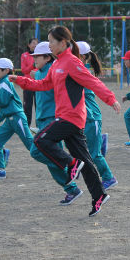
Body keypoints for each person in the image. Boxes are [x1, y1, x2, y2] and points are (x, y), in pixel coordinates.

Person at [10, 25, 121, 217]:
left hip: (71, 117)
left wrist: (111, 99)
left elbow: (92, 82)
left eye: (52, 41)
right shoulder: (57, 65)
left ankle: (71, 164)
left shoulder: (72, 62)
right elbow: (44, 84)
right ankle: (99, 196)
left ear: (63, 42)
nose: (49, 45)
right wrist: (21, 81)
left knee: (40, 141)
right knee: (85, 161)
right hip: (67, 118)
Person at [28, 41, 83, 205]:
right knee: (49, 156)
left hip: (54, 119)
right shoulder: (39, 73)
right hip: (43, 118)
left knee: (37, 152)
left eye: (37, 56)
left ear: (47, 57)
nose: (34, 59)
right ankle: (71, 183)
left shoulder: (56, 71)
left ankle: (72, 169)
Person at [77, 41, 118, 190]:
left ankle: (108, 177)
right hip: (84, 117)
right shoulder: (80, 69)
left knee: (94, 154)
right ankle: (101, 140)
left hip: (91, 117)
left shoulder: (82, 72)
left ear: (81, 56)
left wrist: (111, 100)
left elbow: (100, 88)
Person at [0, 58, 33, 179]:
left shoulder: (5, 83)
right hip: (10, 120)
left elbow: (3, 102)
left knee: (31, 146)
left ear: (6, 71)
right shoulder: (3, 83)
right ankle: (0, 170)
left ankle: (62, 162)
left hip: (17, 118)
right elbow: (5, 107)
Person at [21, 38, 38, 126]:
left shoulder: (40, 55)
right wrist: (33, 65)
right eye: (33, 43)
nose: (35, 45)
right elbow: (24, 70)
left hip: (38, 84)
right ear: (29, 45)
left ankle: (39, 126)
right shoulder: (24, 55)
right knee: (27, 106)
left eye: (36, 43)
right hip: (27, 84)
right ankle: (27, 125)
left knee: (38, 105)